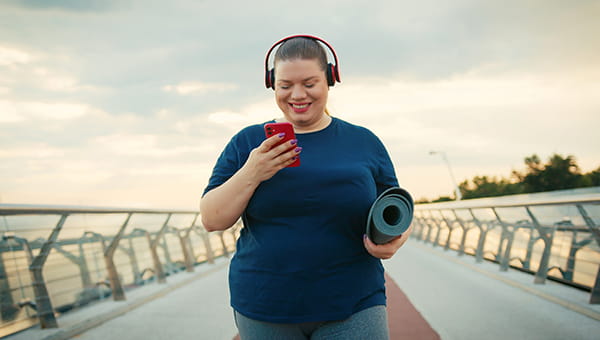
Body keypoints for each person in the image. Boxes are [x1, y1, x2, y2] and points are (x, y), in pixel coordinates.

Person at [200, 35, 412, 340]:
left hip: (355, 301)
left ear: (330, 79)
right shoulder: (247, 143)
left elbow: (397, 209)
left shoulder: (364, 142)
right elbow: (212, 219)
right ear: (272, 83)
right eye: (285, 85)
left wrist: (396, 239)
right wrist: (253, 171)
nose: (297, 95)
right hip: (265, 305)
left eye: (309, 83)